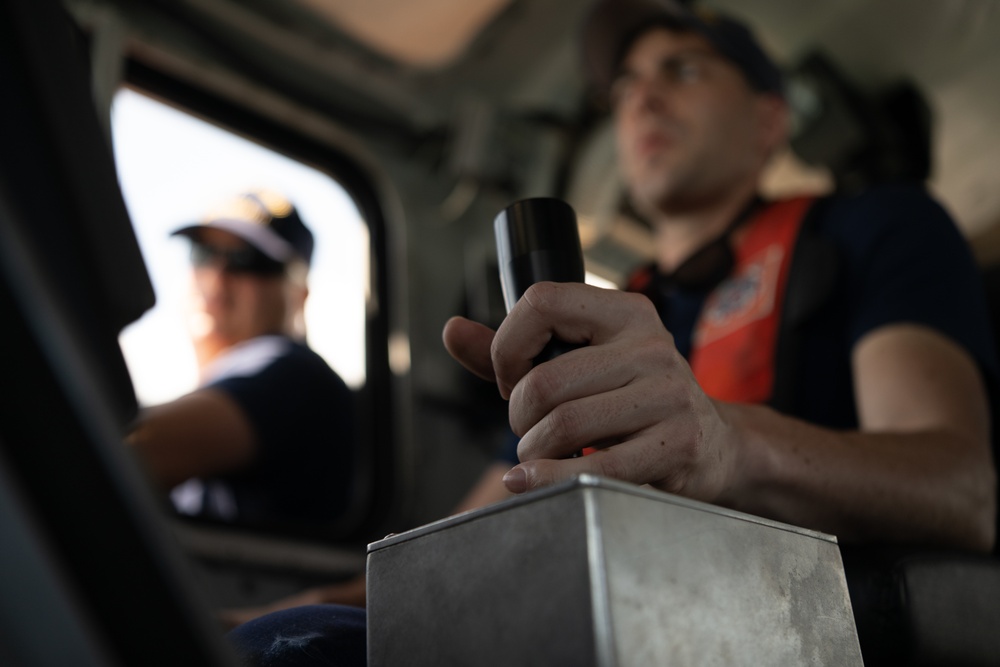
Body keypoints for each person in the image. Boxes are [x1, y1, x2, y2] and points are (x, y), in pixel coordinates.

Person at [228, 0, 998, 662]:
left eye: (684, 70)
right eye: (626, 85)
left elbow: (961, 489)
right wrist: (316, 598)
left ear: (769, 120)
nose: (644, 99)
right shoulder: (594, 319)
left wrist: (729, 443)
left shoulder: (879, 227)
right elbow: (489, 511)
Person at [128, 189, 357, 529]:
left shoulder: (294, 375)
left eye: (246, 260)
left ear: (298, 292)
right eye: (203, 254)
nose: (216, 278)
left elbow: (132, 454)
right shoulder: (232, 379)